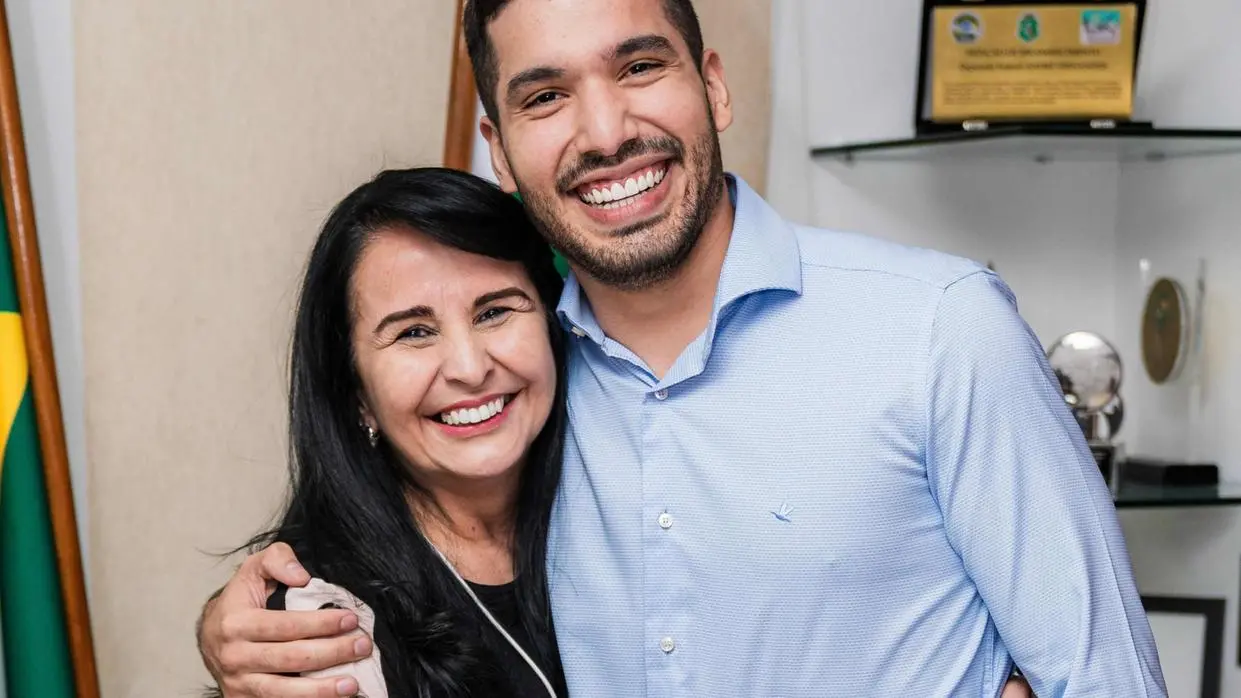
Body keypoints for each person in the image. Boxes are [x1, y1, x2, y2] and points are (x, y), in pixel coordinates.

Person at [197, 0, 1168, 695]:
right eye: (546, 95)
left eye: (638, 67)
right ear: (498, 147)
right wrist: (235, 632)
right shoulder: (522, 388)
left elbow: (1102, 674)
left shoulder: (939, 330)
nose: (605, 131)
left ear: (711, 85)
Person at [205, 167, 572, 696]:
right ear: (357, 393)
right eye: (414, 332)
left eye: (494, 312)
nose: (469, 368)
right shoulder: (323, 624)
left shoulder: (617, 501)